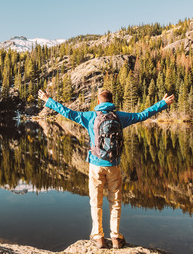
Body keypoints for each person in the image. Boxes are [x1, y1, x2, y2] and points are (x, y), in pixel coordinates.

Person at [38, 88, 175, 249]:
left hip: (96, 165)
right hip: (113, 165)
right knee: (115, 201)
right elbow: (142, 115)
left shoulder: (90, 117)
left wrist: (48, 100)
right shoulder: (120, 117)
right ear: (111, 101)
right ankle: (116, 237)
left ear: (98, 102)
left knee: (96, 201)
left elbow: (67, 112)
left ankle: (98, 237)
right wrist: (162, 104)